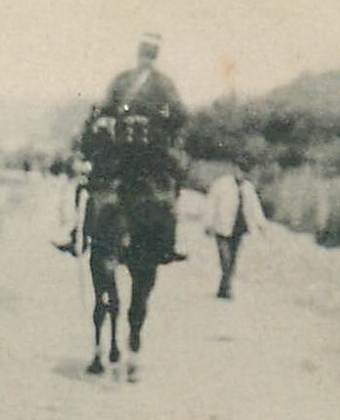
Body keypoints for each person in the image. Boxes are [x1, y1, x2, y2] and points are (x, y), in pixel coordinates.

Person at [97, 32, 187, 264]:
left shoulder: (142, 81)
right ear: (148, 53)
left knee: (94, 189)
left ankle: (76, 232)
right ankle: (169, 244)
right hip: (136, 153)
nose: (147, 55)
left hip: (135, 153)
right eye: (148, 51)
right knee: (168, 193)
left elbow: (178, 114)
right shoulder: (145, 82)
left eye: (148, 51)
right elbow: (180, 115)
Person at [204, 155, 269, 299]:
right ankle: (226, 288)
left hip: (238, 228)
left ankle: (223, 289)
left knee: (233, 260)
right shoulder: (221, 184)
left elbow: (255, 207)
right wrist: (208, 222)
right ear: (234, 169)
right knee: (225, 260)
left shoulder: (248, 187)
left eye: (245, 171)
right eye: (240, 170)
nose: (242, 174)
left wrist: (261, 225)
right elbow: (211, 203)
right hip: (222, 227)